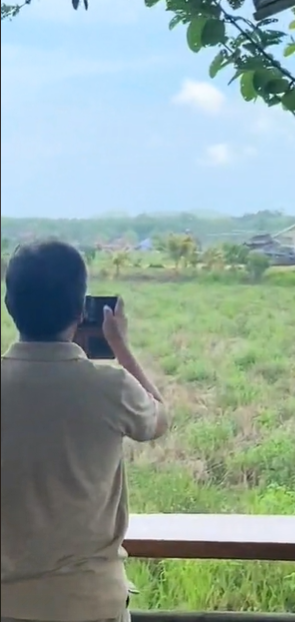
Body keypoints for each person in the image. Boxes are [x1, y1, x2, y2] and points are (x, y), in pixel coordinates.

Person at [1, 240, 169, 622]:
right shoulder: (110, 387)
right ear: (81, 310)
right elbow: (159, 418)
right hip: (90, 603)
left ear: (10, 306)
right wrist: (120, 346)